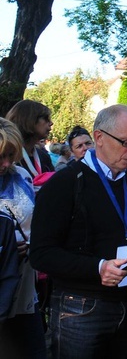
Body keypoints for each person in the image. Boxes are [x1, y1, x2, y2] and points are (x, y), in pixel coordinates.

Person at [29, 104, 127, 359]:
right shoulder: (65, 184)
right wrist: (98, 267)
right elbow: (41, 254)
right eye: (126, 142)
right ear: (99, 138)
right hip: (79, 307)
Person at [0, 117, 46, 358]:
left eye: (11, 155)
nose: (6, 163)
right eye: (0, 156)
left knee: (34, 350)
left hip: (25, 282)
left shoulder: (21, 176)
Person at [6, 99, 55, 187]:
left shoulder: (44, 156)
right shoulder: (8, 157)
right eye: (45, 118)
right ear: (29, 120)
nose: (51, 123)